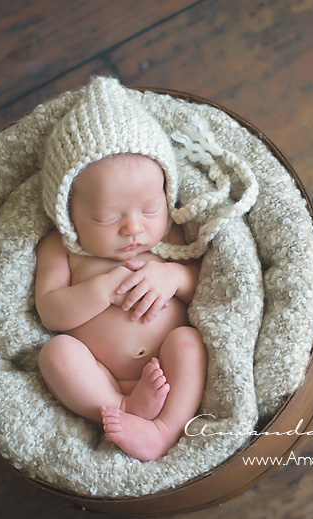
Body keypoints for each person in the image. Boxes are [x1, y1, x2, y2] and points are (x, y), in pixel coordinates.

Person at [35, 77, 209, 462]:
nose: (133, 228)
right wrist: (101, 290)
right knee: (56, 354)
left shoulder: (174, 236)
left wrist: (173, 276)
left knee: (189, 343)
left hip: (167, 360)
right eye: (107, 218)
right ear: (69, 215)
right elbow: (50, 311)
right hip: (102, 375)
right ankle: (121, 408)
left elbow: (206, 286)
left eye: (149, 210)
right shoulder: (62, 249)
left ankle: (164, 430)